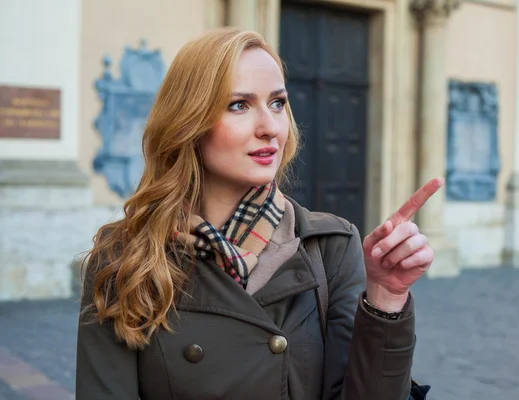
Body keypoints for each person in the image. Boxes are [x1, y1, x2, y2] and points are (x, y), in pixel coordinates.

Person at [76, 27, 443, 400]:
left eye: (278, 103)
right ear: (189, 122)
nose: (270, 128)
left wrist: (385, 296)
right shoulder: (126, 257)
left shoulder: (330, 246)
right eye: (239, 105)